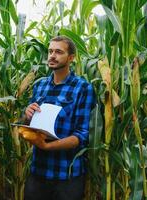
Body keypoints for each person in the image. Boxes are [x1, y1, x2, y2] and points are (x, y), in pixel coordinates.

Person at [19, 36, 96, 200]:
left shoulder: (83, 88)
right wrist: (27, 115)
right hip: (38, 172)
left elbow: (82, 135)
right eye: (50, 51)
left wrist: (47, 147)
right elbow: (28, 124)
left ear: (71, 58)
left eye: (58, 52)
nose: (52, 55)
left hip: (67, 175)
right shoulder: (40, 85)